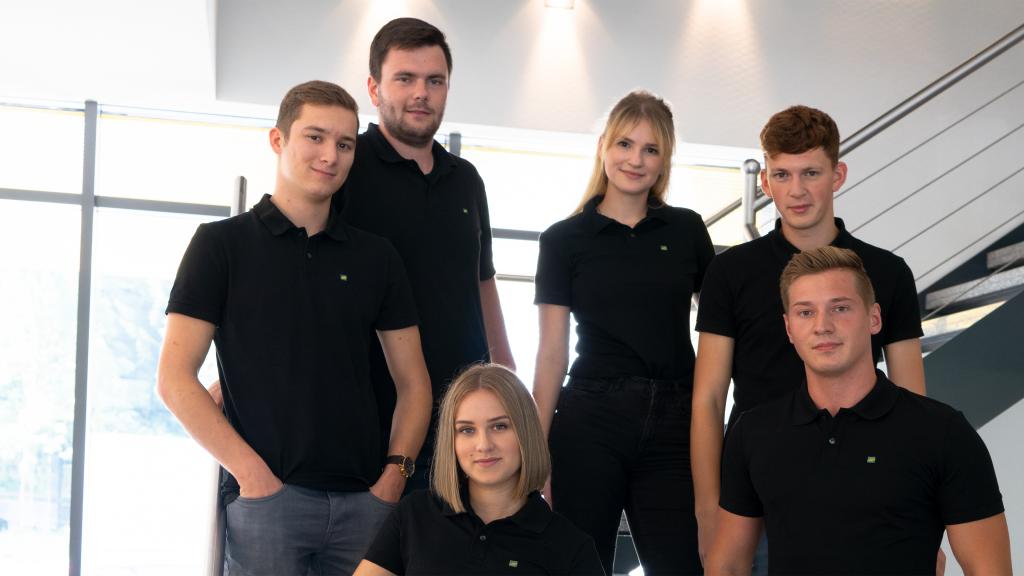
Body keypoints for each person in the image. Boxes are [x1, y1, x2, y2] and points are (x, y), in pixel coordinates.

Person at [157, 80, 432, 575]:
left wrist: (393, 478)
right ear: (278, 140)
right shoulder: (221, 246)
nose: (331, 155)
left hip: (365, 504)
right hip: (266, 501)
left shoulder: (377, 258)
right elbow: (175, 380)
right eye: (315, 137)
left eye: (345, 143)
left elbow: (414, 384)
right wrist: (251, 475)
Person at [691, 105, 927, 565]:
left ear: (837, 175)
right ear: (765, 183)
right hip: (754, 491)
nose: (796, 191)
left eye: (811, 173)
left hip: (867, 483)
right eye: (781, 175)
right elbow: (708, 399)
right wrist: (707, 509)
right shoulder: (731, 272)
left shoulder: (888, 272)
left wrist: (922, 513)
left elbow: (913, 402)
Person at [705, 246, 1010, 574]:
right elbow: (728, 567)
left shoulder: (943, 433)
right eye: (805, 312)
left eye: (840, 308)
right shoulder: (754, 434)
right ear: (789, 328)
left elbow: (989, 570)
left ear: (874, 317)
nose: (823, 326)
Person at [533, 91, 715, 575]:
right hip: (591, 419)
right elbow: (551, 354)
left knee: (681, 565)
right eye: (626, 144)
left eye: (651, 150)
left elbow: (723, 328)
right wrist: (534, 445)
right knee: (581, 565)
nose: (636, 160)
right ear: (603, 146)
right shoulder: (562, 240)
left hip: (676, 420)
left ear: (664, 161)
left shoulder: (686, 230)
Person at [337, 17, 515, 492]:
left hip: (461, 419)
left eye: (435, 81)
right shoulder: (348, 167)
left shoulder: (466, 178)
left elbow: (483, 283)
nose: (422, 93)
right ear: (374, 89)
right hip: (372, 411)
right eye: (406, 79)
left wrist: (509, 380)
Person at [355, 364, 604, 575]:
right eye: (466, 430)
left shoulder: (570, 546)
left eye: (499, 427)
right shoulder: (415, 514)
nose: (483, 445)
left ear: (526, 433)